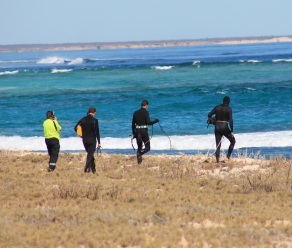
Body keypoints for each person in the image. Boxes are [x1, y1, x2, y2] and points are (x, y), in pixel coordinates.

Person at [208, 96, 236, 163]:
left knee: (218, 144)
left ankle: (217, 161)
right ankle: (228, 157)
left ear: (223, 101)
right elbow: (231, 121)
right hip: (224, 127)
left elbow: (209, 115)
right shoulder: (229, 109)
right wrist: (232, 131)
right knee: (233, 141)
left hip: (217, 127)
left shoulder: (217, 107)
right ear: (228, 102)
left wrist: (213, 121)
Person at [74, 107, 101, 173]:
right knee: (90, 155)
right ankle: (86, 168)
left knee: (90, 154)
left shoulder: (83, 119)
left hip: (85, 140)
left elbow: (75, 128)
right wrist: (99, 142)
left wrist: (81, 135)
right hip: (92, 140)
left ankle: (93, 170)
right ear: (94, 113)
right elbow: (97, 132)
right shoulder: (95, 120)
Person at [132, 100, 159, 164]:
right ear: (146, 105)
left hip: (137, 131)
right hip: (144, 131)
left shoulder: (135, 112)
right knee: (148, 147)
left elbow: (133, 124)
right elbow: (149, 123)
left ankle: (139, 163)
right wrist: (156, 121)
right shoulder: (146, 112)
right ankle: (140, 153)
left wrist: (134, 133)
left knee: (139, 147)